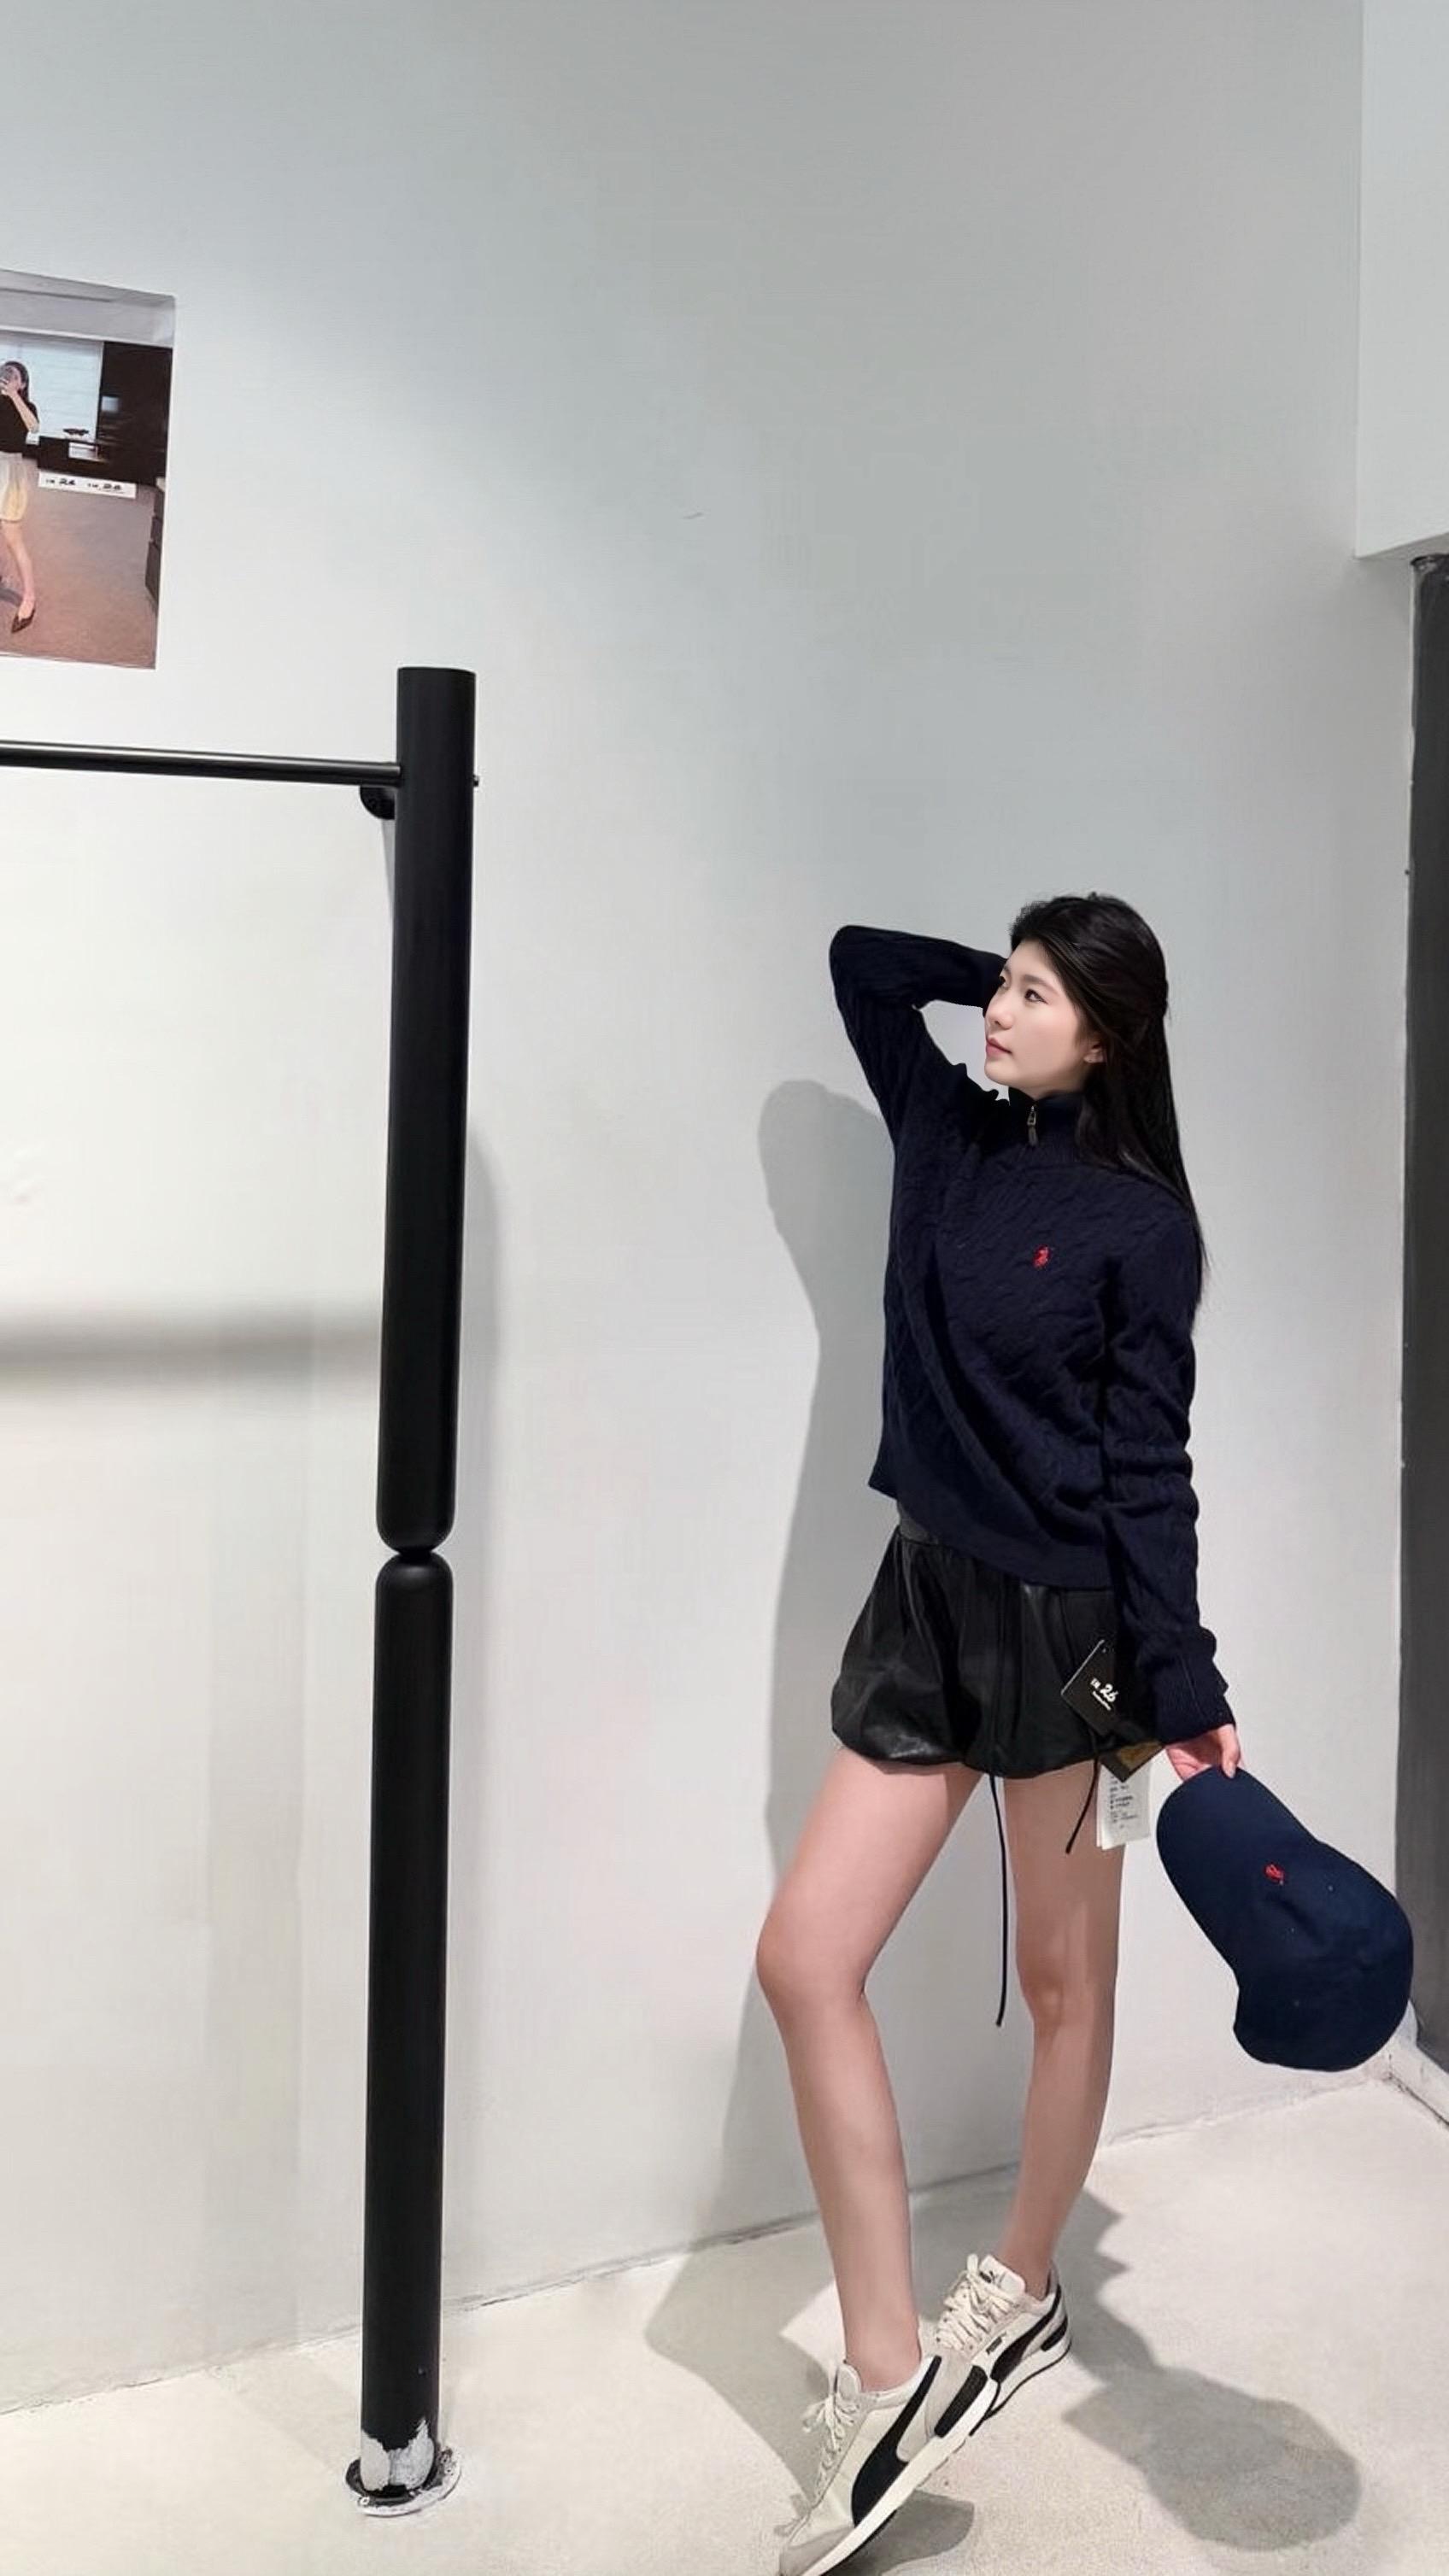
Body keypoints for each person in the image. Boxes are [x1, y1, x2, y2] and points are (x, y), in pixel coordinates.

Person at [758, 901, 1241, 2576]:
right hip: (927, 1599)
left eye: (1039, 998)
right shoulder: (944, 1128)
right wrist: (1007, 972)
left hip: (1077, 1640)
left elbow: (1147, 1472)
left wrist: (1182, 1683)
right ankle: (889, 2371)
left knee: (1060, 1982)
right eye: (1007, 987)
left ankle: (1022, 2288)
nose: (1001, 1014)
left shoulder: (1140, 1227)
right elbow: (857, 962)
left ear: (1105, 1036)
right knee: (806, 1956)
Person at [0, 360, 40, 635]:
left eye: (12, 375)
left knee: (13, 539)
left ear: (23, 383)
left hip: (9, 474)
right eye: (4, 372)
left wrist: (14, 395)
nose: (6, 377)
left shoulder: (27, 406)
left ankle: (30, 598)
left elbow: (33, 427)